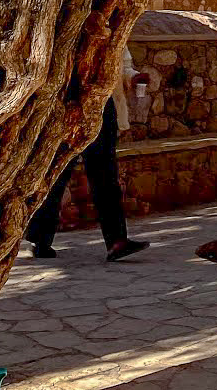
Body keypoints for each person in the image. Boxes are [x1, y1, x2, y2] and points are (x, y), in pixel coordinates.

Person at [26, 52, 150, 262]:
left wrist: (133, 77)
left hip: (101, 104)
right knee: (57, 173)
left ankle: (116, 241)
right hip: (66, 102)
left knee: (105, 176)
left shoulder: (112, 26)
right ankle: (40, 239)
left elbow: (121, 63)